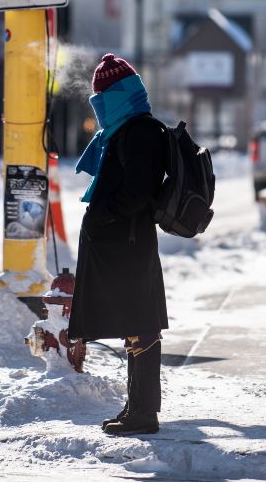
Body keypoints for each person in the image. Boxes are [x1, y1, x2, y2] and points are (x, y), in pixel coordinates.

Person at [67, 53, 168, 436]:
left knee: (141, 326)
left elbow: (136, 192)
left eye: (101, 99)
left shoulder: (141, 131)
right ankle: (136, 406)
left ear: (116, 96)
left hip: (127, 245)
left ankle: (144, 413)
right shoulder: (128, 129)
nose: (99, 107)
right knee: (134, 327)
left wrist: (104, 212)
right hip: (121, 244)